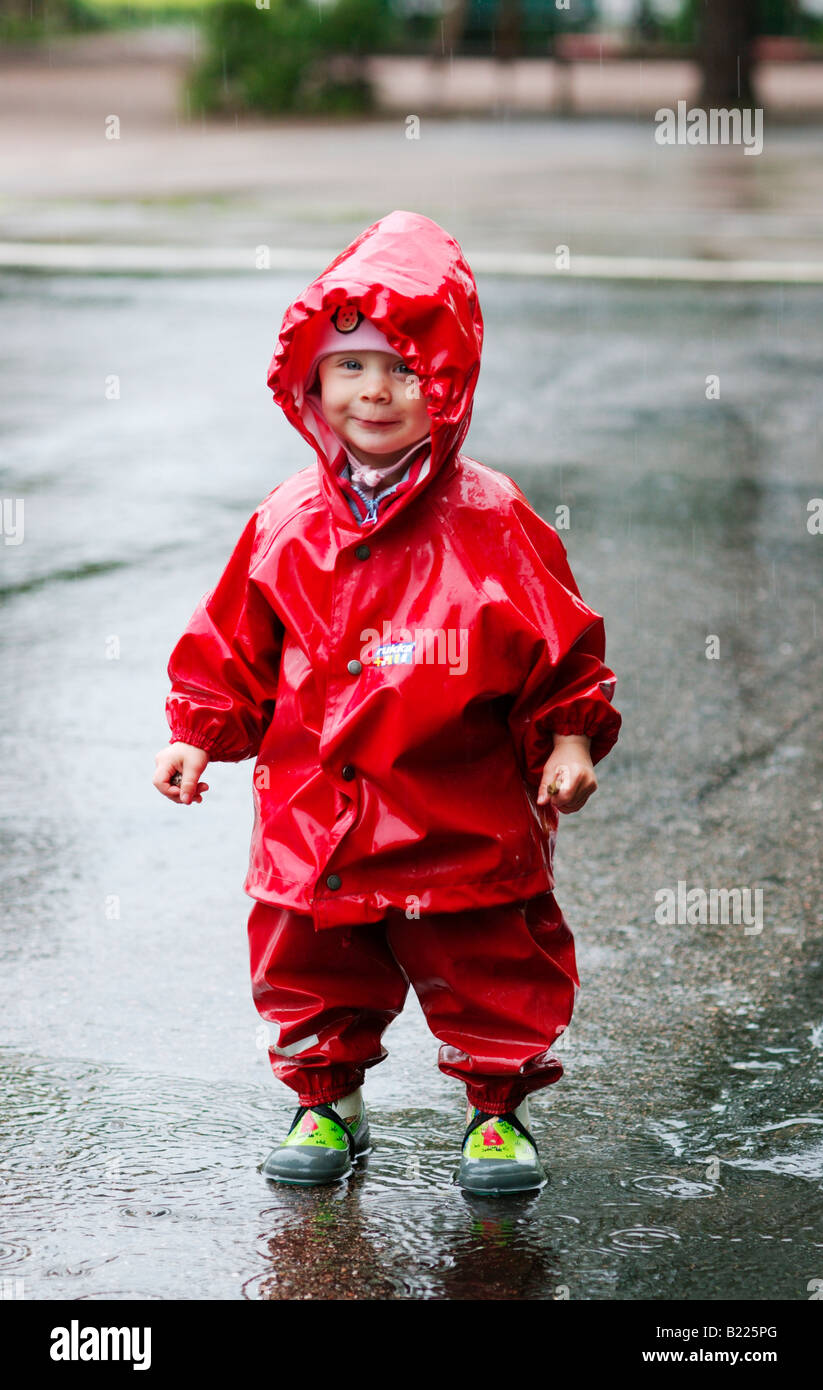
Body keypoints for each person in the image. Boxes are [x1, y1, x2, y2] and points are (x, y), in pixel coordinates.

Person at [153, 210, 622, 1196]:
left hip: (460, 816)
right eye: (351, 366)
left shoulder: (490, 520)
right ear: (310, 382)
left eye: (405, 368)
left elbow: (559, 645)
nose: (375, 391)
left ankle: (497, 1109)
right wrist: (197, 731)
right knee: (309, 959)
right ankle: (326, 1098)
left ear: (446, 386)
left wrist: (569, 737)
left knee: (490, 956)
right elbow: (230, 642)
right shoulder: (284, 522)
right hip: (313, 822)